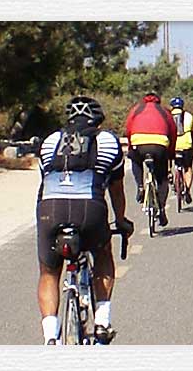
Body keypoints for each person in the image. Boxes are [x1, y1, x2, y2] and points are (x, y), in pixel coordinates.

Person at [36, 96, 134, 345]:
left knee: (49, 272)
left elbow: (44, 180)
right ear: (98, 120)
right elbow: (116, 190)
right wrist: (121, 220)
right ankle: (102, 320)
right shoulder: (107, 141)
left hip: (50, 209)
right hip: (90, 210)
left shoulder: (50, 141)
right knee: (102, 256)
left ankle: (50, 338)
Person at [126, 92, 177, 226]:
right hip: (159, 145)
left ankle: (140, 186)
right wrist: (170, 153)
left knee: (135, 160)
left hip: (138, 142)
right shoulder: (164, 111)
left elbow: (129, 128)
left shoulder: (136, 109)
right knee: (162, 178)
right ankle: (161, 208)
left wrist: (132, 147)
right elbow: (173, 131)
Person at [169, 96, 193, 204]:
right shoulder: (189, 116)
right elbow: (192, 133)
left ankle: (170, 174)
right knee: (188, 168)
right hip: (186, 145)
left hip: (173, 145)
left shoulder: (168, 115)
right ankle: (187, 190)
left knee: (168, 161)